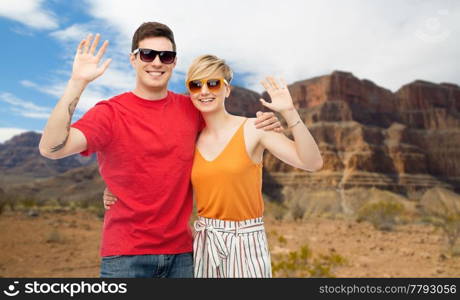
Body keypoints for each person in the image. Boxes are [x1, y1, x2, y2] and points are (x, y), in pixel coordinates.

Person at [38, 22, 281, 278]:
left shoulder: (192, 109)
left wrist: (265, 123)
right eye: (147, 54)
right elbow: (52, 148)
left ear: (174, 63)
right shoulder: (109, 113)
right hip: (125, 258)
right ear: (133, 59)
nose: (156, 62)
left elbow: (229, 132)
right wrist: (77, 82)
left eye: (166, 56)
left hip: (183, 257)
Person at [104, 54, 323, 278]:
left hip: (246, 242)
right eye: (196, 85)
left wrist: (289, 112)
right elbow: (153, 169)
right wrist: (115, 188)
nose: (205, 91)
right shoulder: (189, 139)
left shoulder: (254, 128)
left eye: (213, 83)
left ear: (226, 89)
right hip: (204, 242)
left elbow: (312, 162)